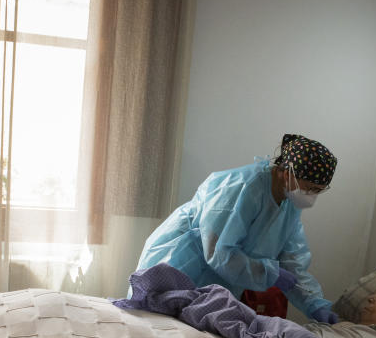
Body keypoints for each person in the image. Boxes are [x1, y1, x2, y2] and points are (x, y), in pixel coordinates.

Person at [134, 134, 339, 323]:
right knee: (157, 324)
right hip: (179, 265)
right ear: (287, 173)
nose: (312, 196)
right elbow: (218, 252)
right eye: (310, 188)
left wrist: (315, 304)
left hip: (214, 287)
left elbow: (293, 263)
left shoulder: (289, 207)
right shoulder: (241, 187)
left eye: (318, 191)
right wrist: (267, 273)